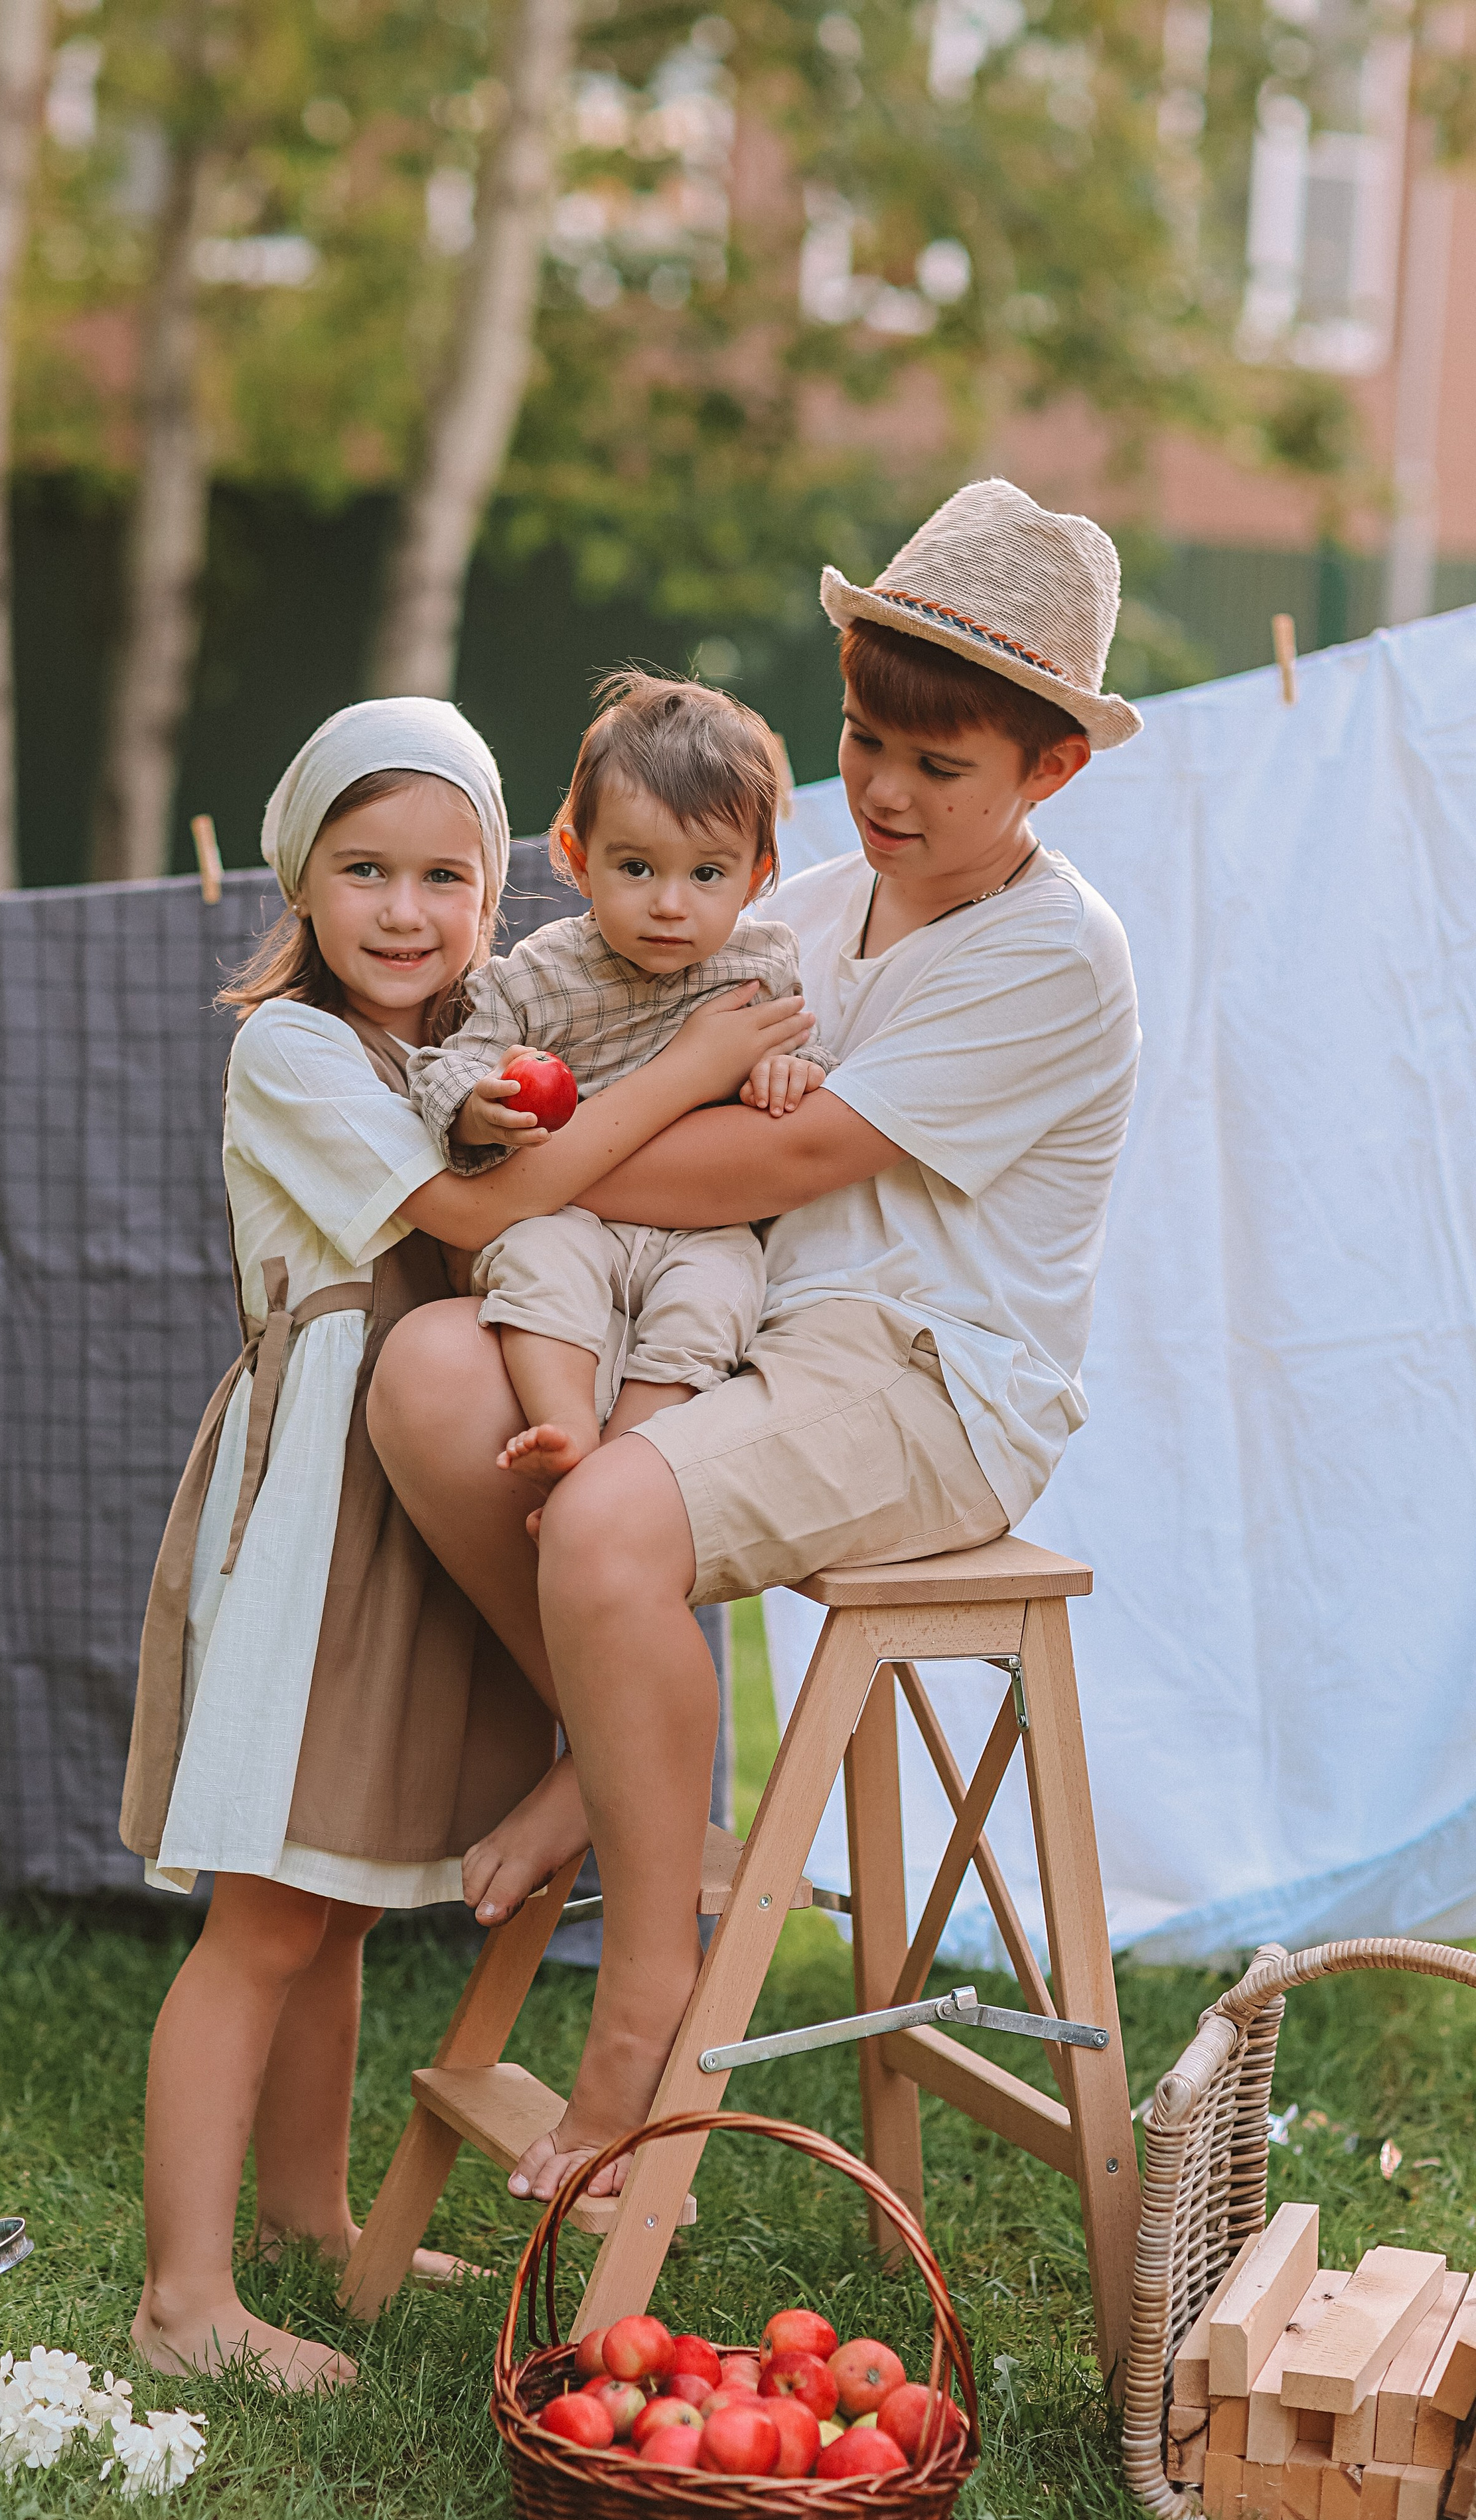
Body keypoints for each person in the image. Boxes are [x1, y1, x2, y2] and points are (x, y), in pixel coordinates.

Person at [368, 477, 1145, 2202]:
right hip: (735, 1328)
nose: (876, 789)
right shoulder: (801, 912)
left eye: (936, 768)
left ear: (1050, 769)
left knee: (612, 1512)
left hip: (928, 1381)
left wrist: (568, 1160)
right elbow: (658, 1113)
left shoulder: (1052, 957)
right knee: (423, 1371)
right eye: (863, 738)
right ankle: (607, 1754)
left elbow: (778, 1156)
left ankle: (643, 2006)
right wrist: (586, 1127)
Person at [117, 696, 812, 2387]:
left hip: (414, 1497)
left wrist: (706, 1065)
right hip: (313, 1518)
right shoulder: (293, 1050)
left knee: (338, 1899)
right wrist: (705, 1064)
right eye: (365, 871)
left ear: (497, 894)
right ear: (302, 882)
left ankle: (298, 2219)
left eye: (443, 875)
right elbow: (485, 1217)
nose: (406, 911)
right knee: (265, 1911)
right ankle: (181, 2299)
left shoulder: (483, 1055)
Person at [406, 674, 834, 1491]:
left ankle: (625, 1465)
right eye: (636, 867)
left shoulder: (762, 966)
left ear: (758, 873)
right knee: (537, 1263)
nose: (670, 905)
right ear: (575, 857)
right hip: (566, 1211)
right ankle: (562, 1424)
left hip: (697, 1228)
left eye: (707, 875)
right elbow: (450, 1062)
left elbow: (809, 1061)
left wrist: (789, 1072)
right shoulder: (539, 974)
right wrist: (474, 1107)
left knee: (721, 1299)